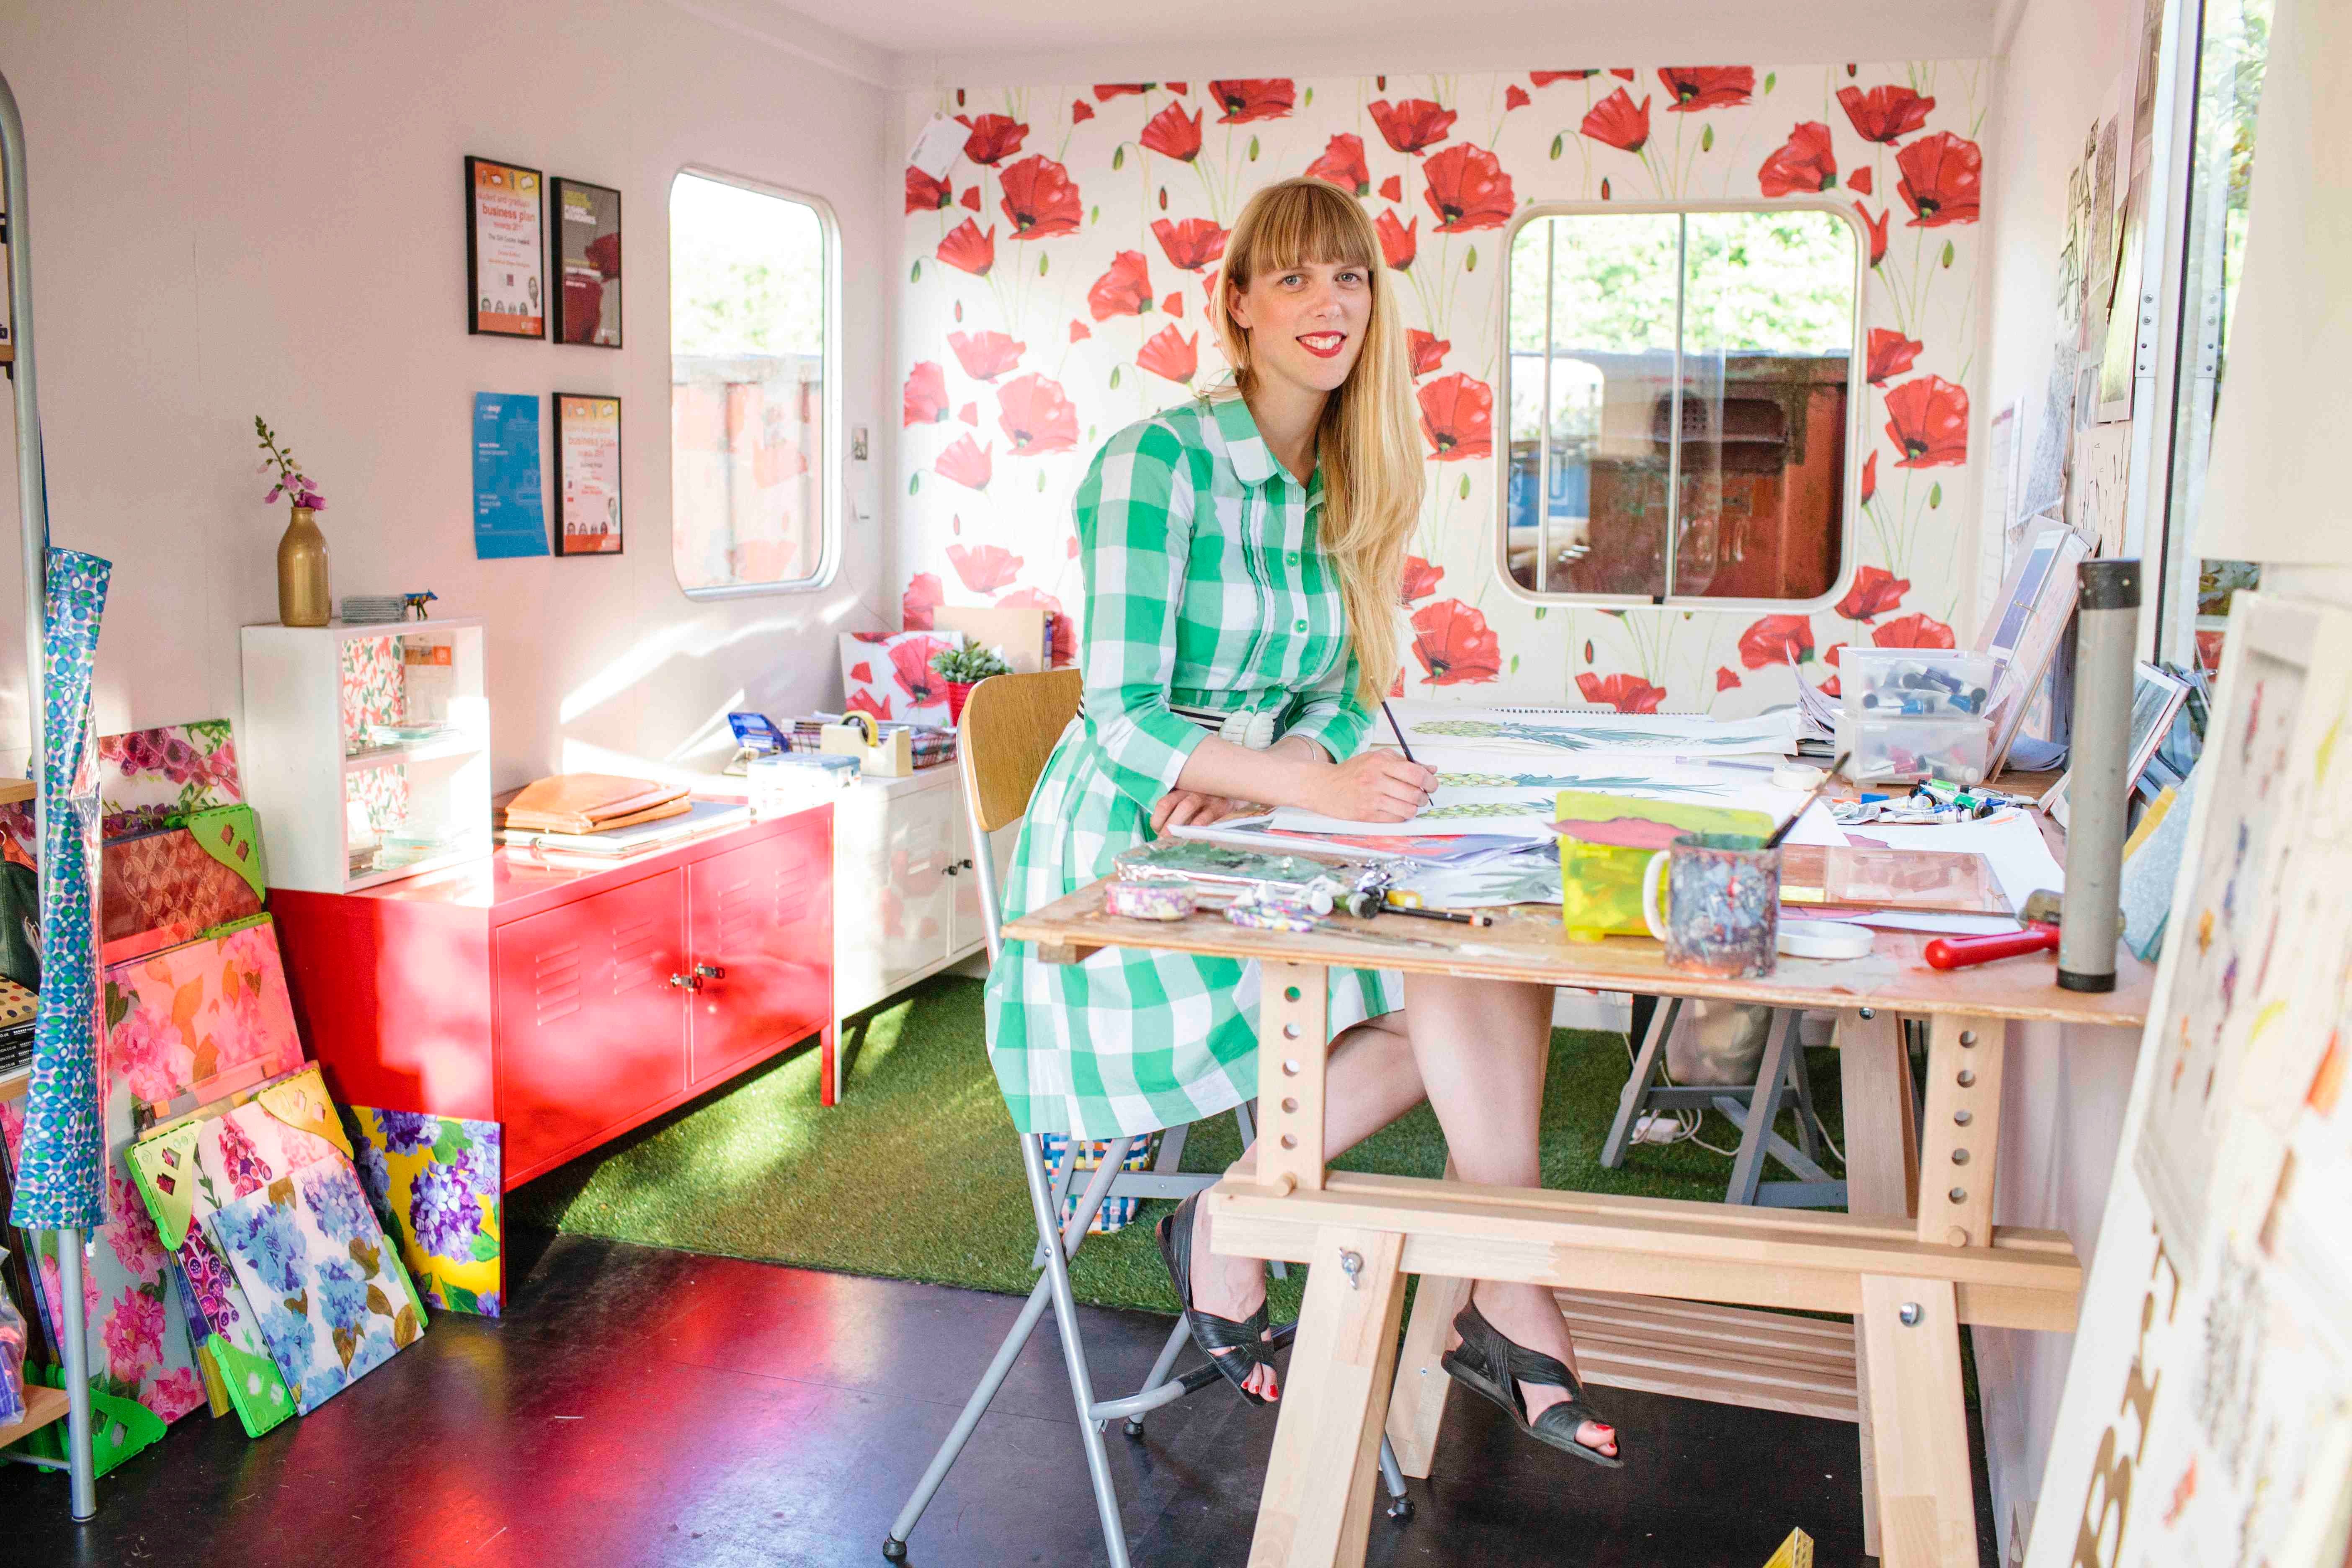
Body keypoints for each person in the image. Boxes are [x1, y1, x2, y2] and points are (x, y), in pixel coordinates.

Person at [982, 176, 1619, 1467]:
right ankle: (1496, 1296)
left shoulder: (1344, 477)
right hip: (1122, 878)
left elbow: (1343, 693)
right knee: (1460, 974)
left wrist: (1278, 769)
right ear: (1238, 306)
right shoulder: (1154, 466)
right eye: (1293, 278)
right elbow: (1120, 720)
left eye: (1351, 276)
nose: (1330, 303)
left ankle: (1407, 1260)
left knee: (1485, 953)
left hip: (1250, 832)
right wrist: (1298, 782)